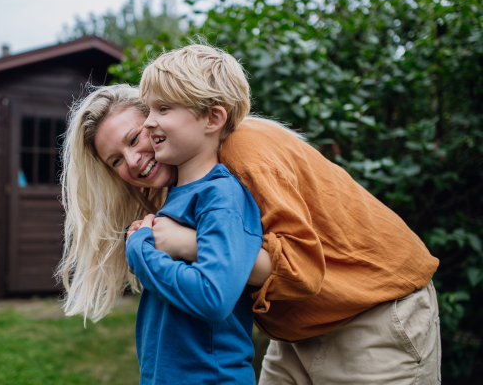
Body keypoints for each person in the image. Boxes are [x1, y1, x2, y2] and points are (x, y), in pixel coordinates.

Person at [57, 46, 440, 384]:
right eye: (116, 161)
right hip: (298, 330)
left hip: (373, 315)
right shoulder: (183, 183)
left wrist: (180, 244)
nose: (134, 161)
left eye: (135, 137)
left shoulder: (239, 152)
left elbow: (299, 269)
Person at [124, 44, 265, 383]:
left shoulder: (221, 194)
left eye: (164, 108)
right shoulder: (181, 194)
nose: (149, 122)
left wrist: (140, 251)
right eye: (148, 109)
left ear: (213, 119)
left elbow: (213, 296)